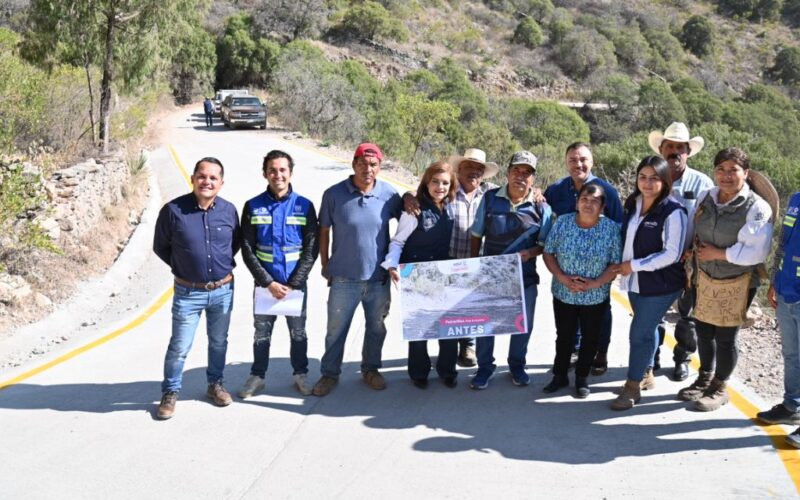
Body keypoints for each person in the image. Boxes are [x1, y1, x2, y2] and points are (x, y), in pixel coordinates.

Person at [677, 147, 773, 412]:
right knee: (704, 330)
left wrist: (719, 253)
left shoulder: (757, 208)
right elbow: (694, 227)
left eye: (733, 170)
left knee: (726, 336)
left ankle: (720, 387)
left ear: (746, 173)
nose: (726, 176)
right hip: (704, 275)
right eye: (721, 169)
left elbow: (757, 251)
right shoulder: (707, 197)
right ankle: (705, 377)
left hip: (737, 280)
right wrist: (690, 251)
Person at [153, 157, 240, 419]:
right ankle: (170, 392)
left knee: (218, 342)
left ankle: (216, 385)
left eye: (213, 178)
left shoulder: (229, 211)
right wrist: (185, 267)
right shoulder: (173, 211)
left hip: (223, 290)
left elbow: (234, 244)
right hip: (188, 293)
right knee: (179, 346)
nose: (207, 182)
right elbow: (161, 246)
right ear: (192, 179)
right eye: (202, 176)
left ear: (221, 183)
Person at [312, 143, 403, 396]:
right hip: (343, 277)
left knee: (376, 327)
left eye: (373, 165)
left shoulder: (389, 194)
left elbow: (407, 221)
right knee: (335, 330)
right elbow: (323, 231)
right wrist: (325, 264)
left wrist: (409, 197)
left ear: (380, 167)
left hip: (378, 278)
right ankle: (329, 374)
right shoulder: (334, 194)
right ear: (353, 164)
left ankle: (370, 369)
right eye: (362, 164)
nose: (367, 169)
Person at [403, 148, 500, 368]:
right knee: (445, 311)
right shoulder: (448, 189)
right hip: (446, 259)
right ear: (459, 169)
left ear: (483, 174)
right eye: (469, 167)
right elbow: (421, 194)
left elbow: (514, 192)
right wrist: (407, 196)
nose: (474, 172)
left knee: (469, 307)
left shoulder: (491, 194)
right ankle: (437, 358)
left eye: (479, 168)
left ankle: (467, 346)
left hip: (475, 260)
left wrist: (536, 191)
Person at [469, 150, 553, 390]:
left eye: (527, 172)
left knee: (522, 325)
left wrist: (530, 253)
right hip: (490, 276)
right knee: (486, 324)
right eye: (516, 170)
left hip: (524, 277)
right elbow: (476, 234)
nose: (521, 176)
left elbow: (543, 245)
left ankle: (517, 365)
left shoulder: (542, 208)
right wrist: (474, 266)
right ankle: (485, 367)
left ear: (533, 178)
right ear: (508, 173)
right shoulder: (490, 199)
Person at [238, 150, 319, 398]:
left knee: (298, 333)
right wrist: (268, 282)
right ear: (265, 174)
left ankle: (301, 374)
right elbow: (247, 248)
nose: (278, 175)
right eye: (272, 170)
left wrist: (294, 283)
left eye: (283, 170)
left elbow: (311, 248)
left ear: (290, 173)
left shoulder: (305, 206)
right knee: (261, 333)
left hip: (295, 286)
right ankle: (257, 377)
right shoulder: (253, 206)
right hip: (265, 286)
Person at [610, 156, 687, 411]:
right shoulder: (633, 203)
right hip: (635, 282)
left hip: (661, 284)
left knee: (639, 333)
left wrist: (633, 265)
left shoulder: (673, 211)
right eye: (642, 177)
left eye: (654, 178)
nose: (647, 183)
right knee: (648, 327)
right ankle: (646, 373)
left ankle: (632, 387)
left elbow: (672, 253)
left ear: (665, 181)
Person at [544, 142, 623, 375]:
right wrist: (536, 195)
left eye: (583, 159)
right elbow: (544, 213)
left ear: (592, 161)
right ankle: (572, 353)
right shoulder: (556, 190)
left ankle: (600, 353)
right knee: (567, 323)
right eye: (572, 160)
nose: (578, 164)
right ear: (566, 162)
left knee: (600, 316)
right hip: (566, 272)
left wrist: (602, 275)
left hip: (597, 274)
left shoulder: (607, 191)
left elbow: (618, 227)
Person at [383, 161, 459, 388]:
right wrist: (392, 265)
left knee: (448, 326)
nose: (440, 187)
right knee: (420, 327)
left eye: (445, 183)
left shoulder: (451, 207)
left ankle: (447, 371)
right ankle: (419, 373)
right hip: (416, 274)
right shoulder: (413, 210)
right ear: (427, 182)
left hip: (444, 274)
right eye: (435, 182)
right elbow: (398, 242)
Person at [647, 122, 713, 380]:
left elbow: (708, 221)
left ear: (688, 152)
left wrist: (694, 250)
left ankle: (683, 358)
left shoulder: (703, 183)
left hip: (689, 261)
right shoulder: (650, 179)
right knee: (654, 312)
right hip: (654, 258)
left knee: (687, 315)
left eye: (680, 148)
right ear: (661, 149)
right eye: (670, 146)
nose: (675, 152)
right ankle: (651, 358)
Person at [757, 190, 800, 446]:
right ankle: (792, 406)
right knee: (792, 355)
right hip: (786, 290)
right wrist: (774, 280)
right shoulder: (796, 199)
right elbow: (783, 244)